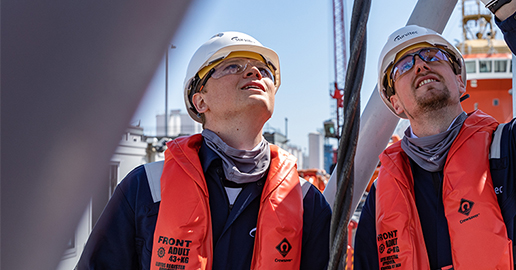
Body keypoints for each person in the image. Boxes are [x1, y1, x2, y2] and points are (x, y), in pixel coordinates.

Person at [352, 0, 516, 269]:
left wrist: (510, 7)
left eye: (433, 56)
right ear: (396, 104)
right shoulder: (381, 198)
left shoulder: (513, 150)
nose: (420, 65)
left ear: (460, 81)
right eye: (404, 65)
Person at [77, 32, 331, 270]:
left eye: (264, 70)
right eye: (232, 66)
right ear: (200, 100)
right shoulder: (146, 188)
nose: (254, 72)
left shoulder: (307, 202)